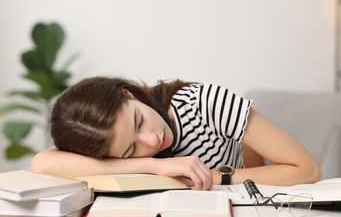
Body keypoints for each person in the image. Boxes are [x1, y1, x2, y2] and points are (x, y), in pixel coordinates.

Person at [30, 76, 321, 190]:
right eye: (131, 149)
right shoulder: (147, 156)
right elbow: (41, 164)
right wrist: (154, 165)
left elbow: (306, 170)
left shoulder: (205, 103)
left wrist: (217, 177)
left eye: (139, 121)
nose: (153, 140)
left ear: (128, 93)